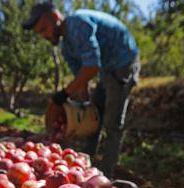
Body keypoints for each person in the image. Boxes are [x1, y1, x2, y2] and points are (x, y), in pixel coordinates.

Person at [23, 2, 140, 178]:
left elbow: (91, 67)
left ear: (55, 17)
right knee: (95, 116)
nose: (44, 35)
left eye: (44, 29)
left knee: (112, 123)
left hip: (123, 63)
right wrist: (82, 103)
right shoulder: (66, 47)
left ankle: (107, 176)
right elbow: (82, 78)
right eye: (40, 32)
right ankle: (86, 166)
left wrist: (63, 94)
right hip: (106, 70)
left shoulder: (77, 23)